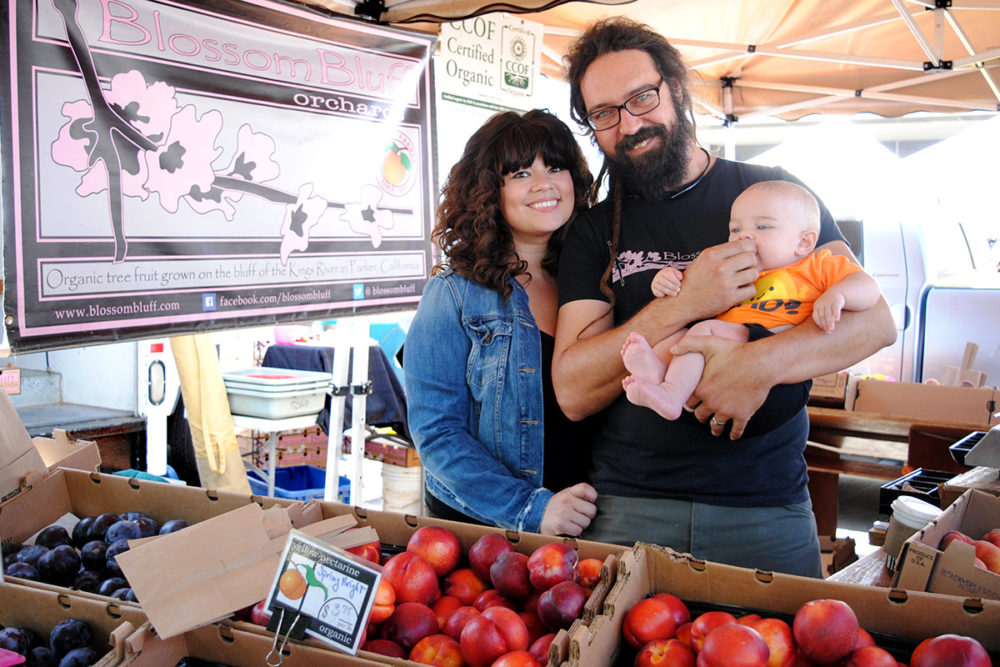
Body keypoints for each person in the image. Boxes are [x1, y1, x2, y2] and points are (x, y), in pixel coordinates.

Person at [552, 17, 897, 576]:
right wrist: (687, 303)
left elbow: (875, 323)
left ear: (678, 89)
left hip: (765, 509)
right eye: (605, 113)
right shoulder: (596, 230)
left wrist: (754, 367)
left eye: (642, 97)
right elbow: (571, 389)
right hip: (628, 507)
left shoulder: (771, 194)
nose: (630, 124)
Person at [404, 109, 599, 536]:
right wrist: (531, 509)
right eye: (521, 173)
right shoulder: (454, 293)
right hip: (485, 534)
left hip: (590, 527)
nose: (545, 183)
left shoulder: (594, 282)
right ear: (489, 190)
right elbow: (436, 435)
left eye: (556, 166)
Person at [622, 180, 883, 424]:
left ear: (804, 242)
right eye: (736, 229)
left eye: (763, 227)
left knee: (701, 333)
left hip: (774, 347)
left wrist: (838, 295)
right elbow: (689, 286)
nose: (743, 236)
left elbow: (868, 287)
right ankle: (659, 375)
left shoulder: (817, 265)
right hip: (725, 350)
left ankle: (672, 395)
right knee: (677, 336)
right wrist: (666, 279)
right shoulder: (734, 269)